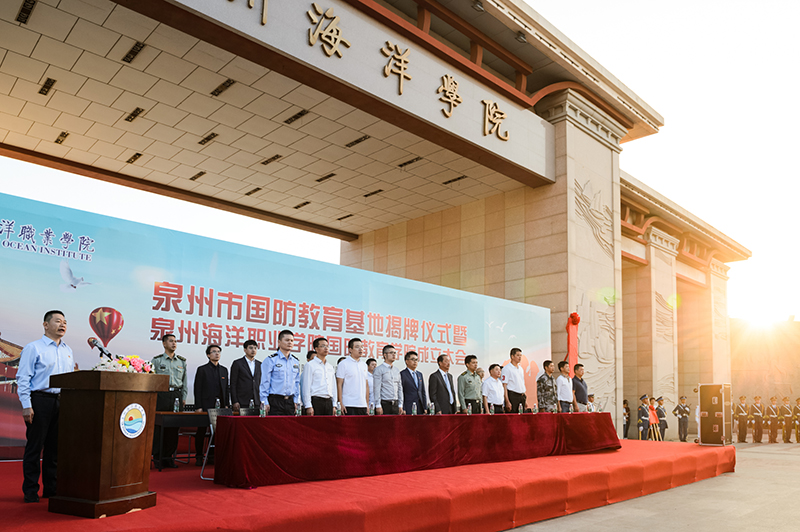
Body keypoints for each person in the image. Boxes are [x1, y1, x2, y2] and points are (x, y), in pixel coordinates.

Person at [17, 310, 75, 503]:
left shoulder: (67, 350)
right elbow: (23, 378)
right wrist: (27, 405)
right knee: (35, 448)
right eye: (58, 321)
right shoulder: (33, 348)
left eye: (65, 322)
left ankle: (52, 489)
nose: (62, 325)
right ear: (45, 324)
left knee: (55, 449)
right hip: (40, 400)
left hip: (61, 401)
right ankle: (30, 490)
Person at [151, 333, 187, 468]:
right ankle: (158, 457)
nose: (174, 343)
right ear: (164, 344)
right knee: (159, 428)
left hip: (176, 395)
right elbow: (152, 380)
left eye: (175, 341)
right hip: (161, 395)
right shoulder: (157, 360)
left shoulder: (181, 361)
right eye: (171, 341)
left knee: (173, 428)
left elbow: (184, 382)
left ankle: (169, 457)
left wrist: (183, 397)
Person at [193, 344, 230, 465]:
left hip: (220, 406)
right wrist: (198, 406)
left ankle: (212, 456)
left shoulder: (224, 370)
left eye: (218, 351)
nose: (217, 353)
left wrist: (226, 405)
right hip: (205, 405)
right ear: (208, 355)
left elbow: (226, 389)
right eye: (214, 351)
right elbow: (197, 389)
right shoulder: (202, 369)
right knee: (201, 431)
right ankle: (199, 456)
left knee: (216, 432)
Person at [259, 330, 301, 416]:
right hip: (275, 401)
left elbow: (296, 383)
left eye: (292, 340)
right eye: (287, 340)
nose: (290, 342)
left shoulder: (295, 361)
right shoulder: (271, 360)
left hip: (290, 401)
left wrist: (296, 400)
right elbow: (264, 382)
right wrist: (264, 402)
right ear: (279, 342)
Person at [301, 337, 337, 415]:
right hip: (316, 401)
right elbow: (306, 386)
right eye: (323, 346)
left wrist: (334, 404)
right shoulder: (310, 365)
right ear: (316, 349)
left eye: (327, 346)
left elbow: (333, 386)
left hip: (329, 402)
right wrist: (308, 405)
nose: (326, 348)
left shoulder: (330, 367)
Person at [336, 338, 369, 415]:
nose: (360, 349)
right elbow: (339, 384)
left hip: (362, 405)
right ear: (350, 350)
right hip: (348, 404)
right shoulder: (343, 364)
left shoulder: (364, 365)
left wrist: (367, 404)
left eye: (362, 347)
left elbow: (366, 385)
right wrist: (340, 403)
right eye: (357, 347)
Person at [230, 339, 262, 412]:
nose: (253, 350)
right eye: (250, 348)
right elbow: (233, 384)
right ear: (245, 350)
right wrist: (235, 401)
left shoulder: (260, 364)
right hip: (242, 401)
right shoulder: (237, 363)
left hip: (257, 401)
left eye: (255, 348)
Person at [373, 345, 404, 415]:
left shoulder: (396, 370)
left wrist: (400, 404)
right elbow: (376, 388)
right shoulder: (379, 369)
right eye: (391, 353)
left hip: (395, 404)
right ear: (385, 355)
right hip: (384, 404)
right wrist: (378, 405)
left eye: (395, 353)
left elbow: (400, 388)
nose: (394, 355)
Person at [501, 348, 527, 413]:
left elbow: (522, 383)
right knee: (513, 416)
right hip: (513, 396)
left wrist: (525, 399)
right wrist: (507, 401)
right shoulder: (507, 368)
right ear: (512, 356)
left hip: (522, 396)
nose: (520, 357)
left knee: (522, 417)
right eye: (518, 355)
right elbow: (504, 385)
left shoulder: (520, 369)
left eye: (521, 355)